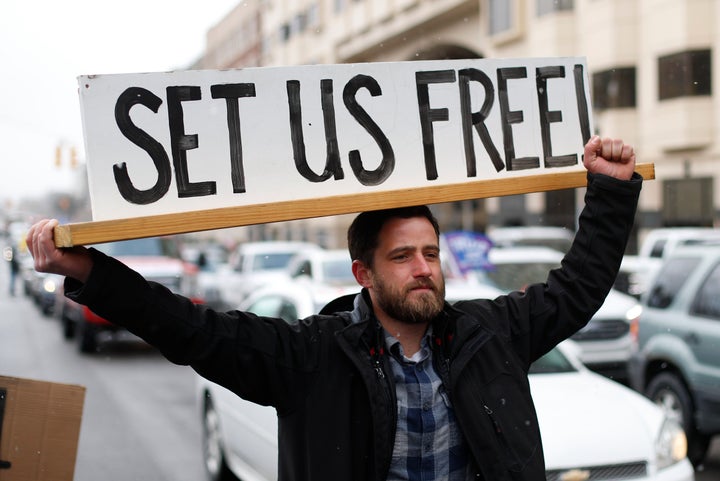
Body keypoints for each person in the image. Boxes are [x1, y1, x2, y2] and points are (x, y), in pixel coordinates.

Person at [27, 135, 641, 481]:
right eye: (403, 257)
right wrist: (87, 270)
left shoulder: (490, 333)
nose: (424, 267)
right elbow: (193, 330)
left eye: (430, 252)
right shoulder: (312, 356)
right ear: (363, 274)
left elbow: (577, 287)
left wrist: (610, 190)